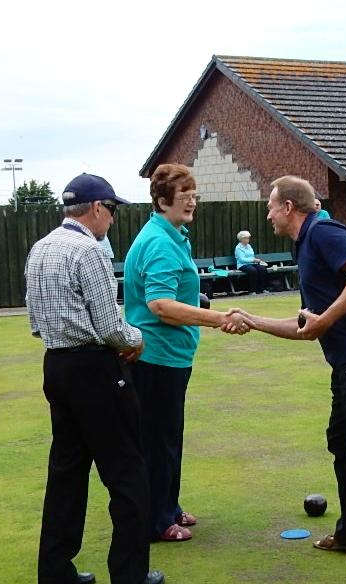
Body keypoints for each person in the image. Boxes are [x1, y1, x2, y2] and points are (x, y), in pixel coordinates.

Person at [231, 175, 346, 584]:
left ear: (288, 207)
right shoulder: (305, 244)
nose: (268, 214)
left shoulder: (323, 231)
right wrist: (251, 319)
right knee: (343, 442)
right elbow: (306, 324)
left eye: (271, 205)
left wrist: (327, 320)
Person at [25, 173, 164, 584]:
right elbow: (110, 326)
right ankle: (129, 575)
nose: (113, 219)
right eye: (113, 210)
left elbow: (35, 320)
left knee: (66, 472)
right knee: (127, 470)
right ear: (98, 207)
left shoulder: (40, 248)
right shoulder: (90, 251)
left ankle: (55, 573)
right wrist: (136, 340)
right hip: (96, 369)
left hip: (57, 365)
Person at [123, 163, 248, 543]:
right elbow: (160, 304)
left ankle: (168, 505)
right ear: (163, 201)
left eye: (195, 195)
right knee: (158, 440)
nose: (192, 202)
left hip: (172, 356)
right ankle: (157, 520)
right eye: (184, 196)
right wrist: (217, 318)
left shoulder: (174, 235)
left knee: (168, 436)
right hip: (155, 358)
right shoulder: (160, 242)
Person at [234, 230, 270, 295]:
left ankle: (262, 289)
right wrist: (253, 260)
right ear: (242, 239)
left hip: (252, 263)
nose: (248, 240)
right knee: (253, 271)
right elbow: (242, 259)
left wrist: (257, 261)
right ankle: (252, 290)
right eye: (246, 238)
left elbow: (251, 256)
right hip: (242, 265)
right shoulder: (238, 248)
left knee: (263, 269)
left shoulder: (249, 246)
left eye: (248, 238)